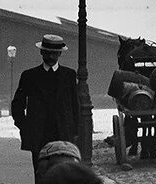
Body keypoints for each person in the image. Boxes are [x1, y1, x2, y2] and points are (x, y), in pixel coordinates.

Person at [9, 33, 94, 164]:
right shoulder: (30, 76)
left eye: (54, 53)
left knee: (62, 174)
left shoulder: (69, 75)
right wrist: (25, 127)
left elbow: (74, 105)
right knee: (40, 174)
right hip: (38, 135)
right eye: (47, 53)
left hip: (63, 135)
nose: (50, 56)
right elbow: (17, 104)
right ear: (41, 52)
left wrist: (74, 131)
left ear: (60, 54)